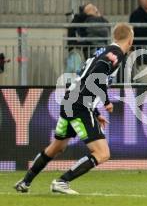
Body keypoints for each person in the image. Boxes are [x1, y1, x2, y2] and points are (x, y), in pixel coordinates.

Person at [14, 23, 134, 195]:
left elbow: (85, 79)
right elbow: (95, 77)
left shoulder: (103, 50)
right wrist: (106, 101)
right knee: (102, 153)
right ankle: (62, 181)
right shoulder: (116, 55)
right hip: (80, 105)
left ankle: (25, 182)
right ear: (130, 40)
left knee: (57, 147)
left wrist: (96, 112)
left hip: (71, 100)